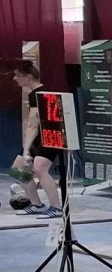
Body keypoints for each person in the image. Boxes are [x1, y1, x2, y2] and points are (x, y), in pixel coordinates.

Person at [9, 61, 62, 218]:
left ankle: (56, 208)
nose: (14, 78)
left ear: (29, 76)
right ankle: (37, 205)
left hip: (52, 136)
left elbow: (33, 124)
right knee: (18, 170)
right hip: (40, 137)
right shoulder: (34, 93)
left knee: (39, 168)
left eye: (18, 75)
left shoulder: (39, 93)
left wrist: (26, 150)